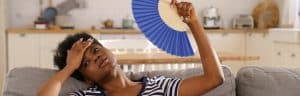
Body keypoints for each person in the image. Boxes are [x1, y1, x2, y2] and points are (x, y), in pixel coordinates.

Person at [37, 1, 224, 96]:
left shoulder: (159, 86)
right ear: (85, 77)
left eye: (94, 50)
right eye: (85, 63)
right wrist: (70, 66)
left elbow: (214, 79)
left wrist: (194, 23)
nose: (95, 58)